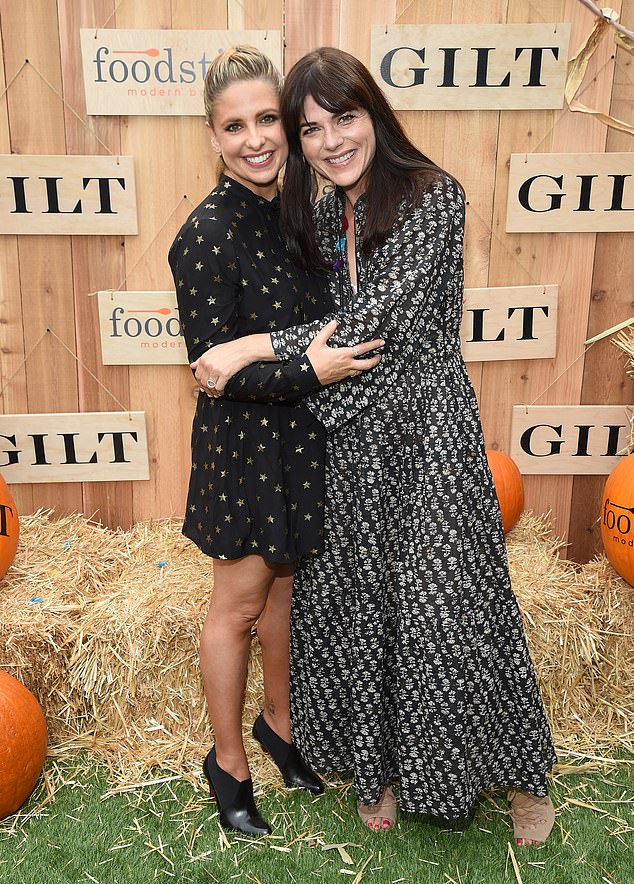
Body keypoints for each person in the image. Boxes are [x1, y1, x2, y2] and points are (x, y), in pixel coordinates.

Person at [194, 47, 557, 844]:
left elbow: (370, 324)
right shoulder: (326, 215)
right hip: (351, 440)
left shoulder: (435, 198)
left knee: (456, 608)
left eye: (344, 119)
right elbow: (329, 335)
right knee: (368, 615)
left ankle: (521, 776)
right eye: (311, 128)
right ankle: (378, 768)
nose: (329, 142)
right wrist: (286, 358)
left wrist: (251, 345)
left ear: (374, 114)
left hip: (429, 437)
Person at [168, 46, 382, 838]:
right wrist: (314, 370)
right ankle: (228, 762)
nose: (255, 138)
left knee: (282, 598)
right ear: (214, 137)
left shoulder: (302, 210)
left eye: (268, 120)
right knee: (237, 607)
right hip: (244, 448)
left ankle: (280, 728)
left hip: (302, 438)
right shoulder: (205, 235)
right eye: (236, 126)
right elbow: (216, 372)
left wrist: (313, 369)